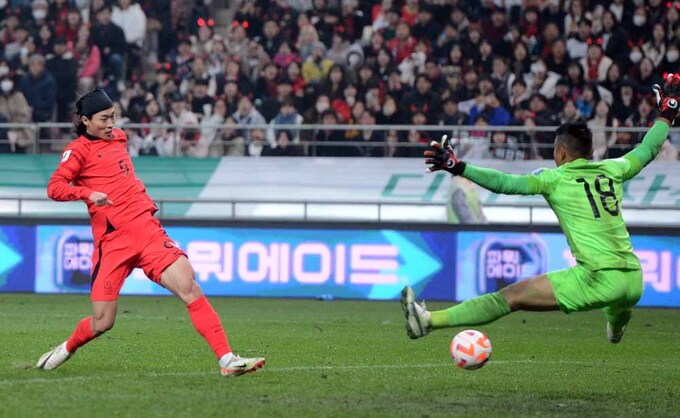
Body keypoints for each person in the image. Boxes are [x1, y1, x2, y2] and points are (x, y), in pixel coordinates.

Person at [401, 74, 680, 344]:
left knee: (510, 297)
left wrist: (458, 166)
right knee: (620, 304)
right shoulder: (613, 168)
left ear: (561, 153)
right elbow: (648, 148)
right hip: (634, 278)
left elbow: (504, 183)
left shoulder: (554, 179)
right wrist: (668, 112)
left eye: (555, 150)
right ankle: (617, 325)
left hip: (599, 278)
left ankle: (427, 321)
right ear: (590, 152)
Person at [37, 89, 265, 376]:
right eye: (104, 119)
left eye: (113, 117)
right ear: (85, 121)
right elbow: (54, 187)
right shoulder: (78, 150)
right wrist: (86, 193)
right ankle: (66, 348)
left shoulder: (119, 138)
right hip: (113, 242)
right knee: (103, 322)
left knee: (189, 285)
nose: (111, 124)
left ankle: (227, 360)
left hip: (147, 231)